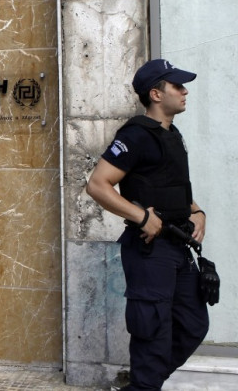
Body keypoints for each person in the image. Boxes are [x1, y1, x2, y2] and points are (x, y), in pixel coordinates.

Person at [86, 59, 209, 390]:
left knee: (193, 325)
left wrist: (197, 212)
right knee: (153, 337)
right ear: (156, 93)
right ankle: (144, 384)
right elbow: (97, 184)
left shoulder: (171, 134)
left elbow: (173, 185)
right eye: (177, 86)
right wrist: (141, 216)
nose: (184, 92)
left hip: (178, 248)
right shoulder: (136, 135)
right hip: (150, 252)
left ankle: (142, 385)